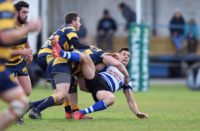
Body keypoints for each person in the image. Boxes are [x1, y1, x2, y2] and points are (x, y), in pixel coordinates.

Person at [28, 12, 96, 119]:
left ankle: (70, 112)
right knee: (61, 95)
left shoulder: (62, 31)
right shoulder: (69, 29)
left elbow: (71, 49)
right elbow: (77, 44)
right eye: (79, 21)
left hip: (46, 57)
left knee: (66, 90)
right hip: (49, 57)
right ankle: (36, 110)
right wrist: (90, 47)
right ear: (73, 22)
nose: (80, 24)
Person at [72, 48, 148, 120]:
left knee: (111, 98)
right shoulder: (109, 65)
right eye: (124, 54)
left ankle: (81, 113)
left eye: (128, 56)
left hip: (101, 90)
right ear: (118, 56)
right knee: (84, 61)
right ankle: (69, 56)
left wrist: (137, 112)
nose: (126, 56)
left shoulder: (127, 81)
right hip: (95, 79)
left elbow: (130, 100)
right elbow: (98, 59)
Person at [0, 0, 41, 130]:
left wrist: (28, 53)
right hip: (7, 64)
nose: (26, 15)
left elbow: (25, 40)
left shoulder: (24, 26)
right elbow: (4, 40)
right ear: (16, 12)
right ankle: (18, 117)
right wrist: (21, 51)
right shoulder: (7, 20)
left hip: (19, 63)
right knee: (21, 100)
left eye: (28, 12)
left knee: (27, 92)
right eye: (24, 12)